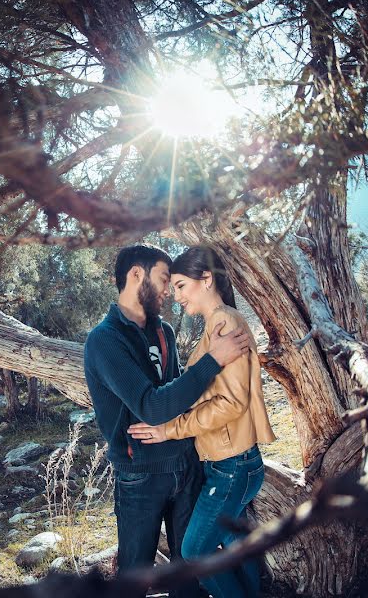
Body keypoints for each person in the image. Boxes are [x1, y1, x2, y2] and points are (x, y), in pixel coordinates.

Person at [83, 244, 250, 598]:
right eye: (163, 280)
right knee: (134, 575)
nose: (167, 292)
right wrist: (213, 360)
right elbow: (153, 407)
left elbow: (178, 399)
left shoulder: (166, 333)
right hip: (140, 475)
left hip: (186, 464)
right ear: (135, 276)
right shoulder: (104, 341)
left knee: (188, 573)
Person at [128, 246, 277, 598]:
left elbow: (230, 404)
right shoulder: (218, 324)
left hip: (231, 464)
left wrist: (169, 428)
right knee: (234, 540)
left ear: (206, 280)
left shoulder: (224, 322)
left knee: (194, 553)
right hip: (230, 460)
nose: (176, 295)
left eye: (181, 285)